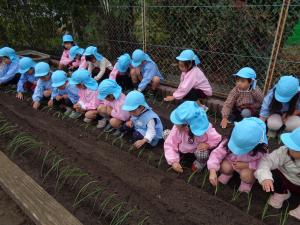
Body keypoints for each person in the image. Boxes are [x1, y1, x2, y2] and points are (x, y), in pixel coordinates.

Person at [208, 117, 268, 193]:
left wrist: (247, 165)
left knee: (246, 175)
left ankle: (246, 183)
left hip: (247, 169)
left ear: (256, 145)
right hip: (231, 163)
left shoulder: (260, 151)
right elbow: (216, 154)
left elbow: (263, 164)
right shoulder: (227, 142)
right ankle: (227, 174)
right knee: (225, 167)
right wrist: (212, 171)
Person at [255, 127, 300, 220]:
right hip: (285, 180)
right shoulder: (285, 151)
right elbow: (266, 161)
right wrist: (265, 178)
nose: (289, 148)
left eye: (294, 149)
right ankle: (282, 192)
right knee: (272, 172)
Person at [164, 101, 222, 173]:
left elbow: (217, 138)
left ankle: (201, 162)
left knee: (202, 153)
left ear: (187, 125)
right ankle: (177, 154)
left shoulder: (205, 129)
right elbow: (170, 143)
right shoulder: (177, 128)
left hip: (197, 149)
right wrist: (173, 161)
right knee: (166, 134)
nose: (175, 124)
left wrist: (207, 144)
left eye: (177, 123)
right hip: (182, 146)